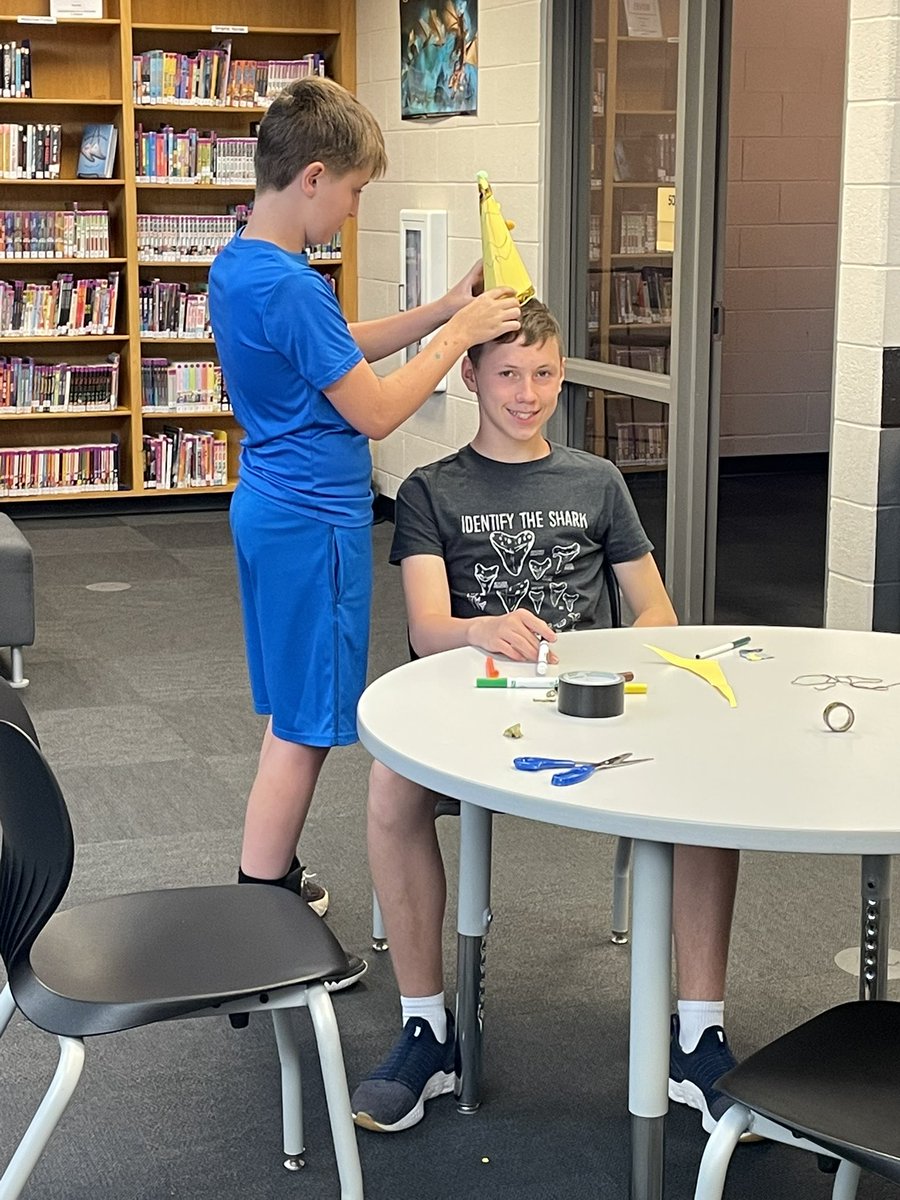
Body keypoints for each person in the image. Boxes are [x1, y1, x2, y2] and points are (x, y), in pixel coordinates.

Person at [351, 300, 741, 1130]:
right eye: (507, 374)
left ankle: (699, 1038)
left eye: (544, 374)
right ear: (470, 377)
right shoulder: (430, 489)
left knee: (710, 790)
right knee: (390, 785)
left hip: (591, 704)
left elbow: (657, 612)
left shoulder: (597, 481)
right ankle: (427, 1028)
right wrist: (479, 629)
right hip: (480, 706)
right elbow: (427, 627)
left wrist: (615, 656)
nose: (527, 394)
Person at [207, 75, 521, 991]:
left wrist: (444, 308)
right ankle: (262, 916)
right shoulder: (290, 287)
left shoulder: (242, 264)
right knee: (306, 728)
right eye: (352, 192)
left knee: (290, 714)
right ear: (312, 177)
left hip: (270, 509)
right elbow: (377, 411)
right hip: (316, 525)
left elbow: (338, 341)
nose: (352, 209)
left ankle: (270, 877)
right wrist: (458, 334)